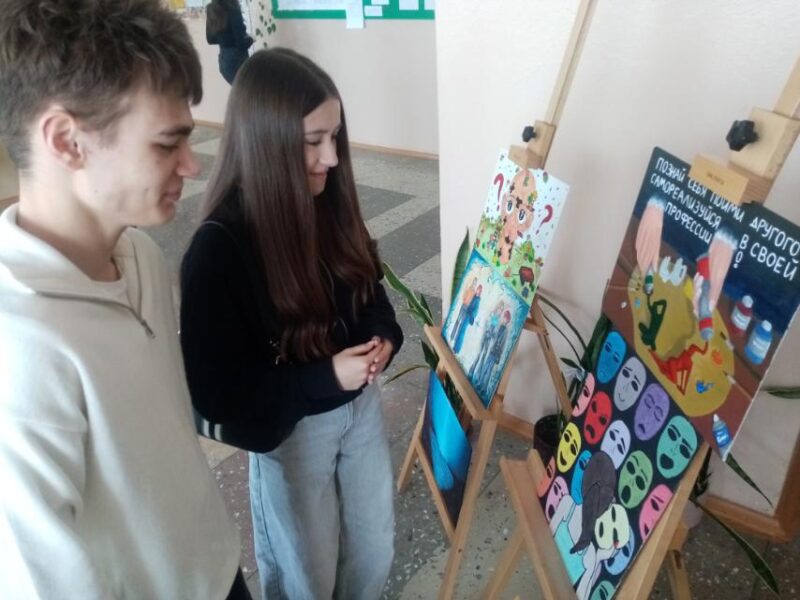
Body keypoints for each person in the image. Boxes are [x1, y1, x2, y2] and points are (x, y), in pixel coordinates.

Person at [0, 1, 245, 598]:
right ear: (67, 140)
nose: (192, 165)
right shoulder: (21, 345)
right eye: (166, 144)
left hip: (217, 568)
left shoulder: (142, 257)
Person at [180, 48, 403, 599]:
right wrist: (324, 377)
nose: (331, 158)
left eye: (336, 137)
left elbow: (371, 290)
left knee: (374, 548)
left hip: (360, 409)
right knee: (307, 573)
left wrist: (384, 338)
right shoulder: (219, 249)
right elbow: (220, 395)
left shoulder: (331, 203)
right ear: (267, 142)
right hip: (295, 429)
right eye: (313, 141)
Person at [206, 0, 254, 84]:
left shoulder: (211, 8)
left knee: (240, 90)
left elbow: (210, 40)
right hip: (236, 59)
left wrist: (225, 39)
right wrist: (251, 39)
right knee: (248, 89)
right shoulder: (233, 8)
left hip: (223, 59)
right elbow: (241, 44)